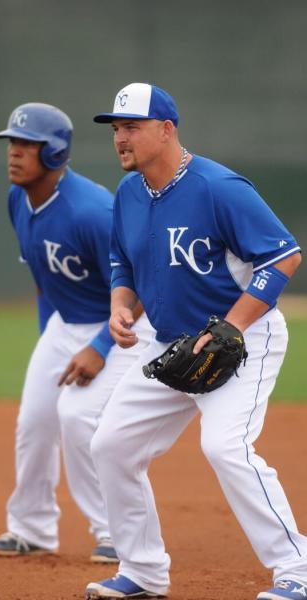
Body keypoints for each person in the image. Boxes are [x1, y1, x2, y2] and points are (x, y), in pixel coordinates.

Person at [83, 83, 306, 600]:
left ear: (166, 130)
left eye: (131, 127)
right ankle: (142, 572)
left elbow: (283, 258)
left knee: (225, 447)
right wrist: (121, 306)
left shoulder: (218, 187)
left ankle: (296, 568)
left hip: (242, 339)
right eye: (116, 129)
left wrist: (231, 326)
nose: (121, 138)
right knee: (111, 444)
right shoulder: (129, 194)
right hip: (168, 344)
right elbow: (124, 263)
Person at [0, 102, 155, 562]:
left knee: (78, 419)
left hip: (119, 324)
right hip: (63, 324)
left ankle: (115, 534)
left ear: (55, 153)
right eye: (11, 143)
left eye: (27, 145)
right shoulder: (18, 199)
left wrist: (99, 347)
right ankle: (31, 528)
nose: (13, 153)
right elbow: (44, 278)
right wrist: (48, 339)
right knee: (34, 421)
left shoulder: (92, 212)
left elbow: (143, 284)